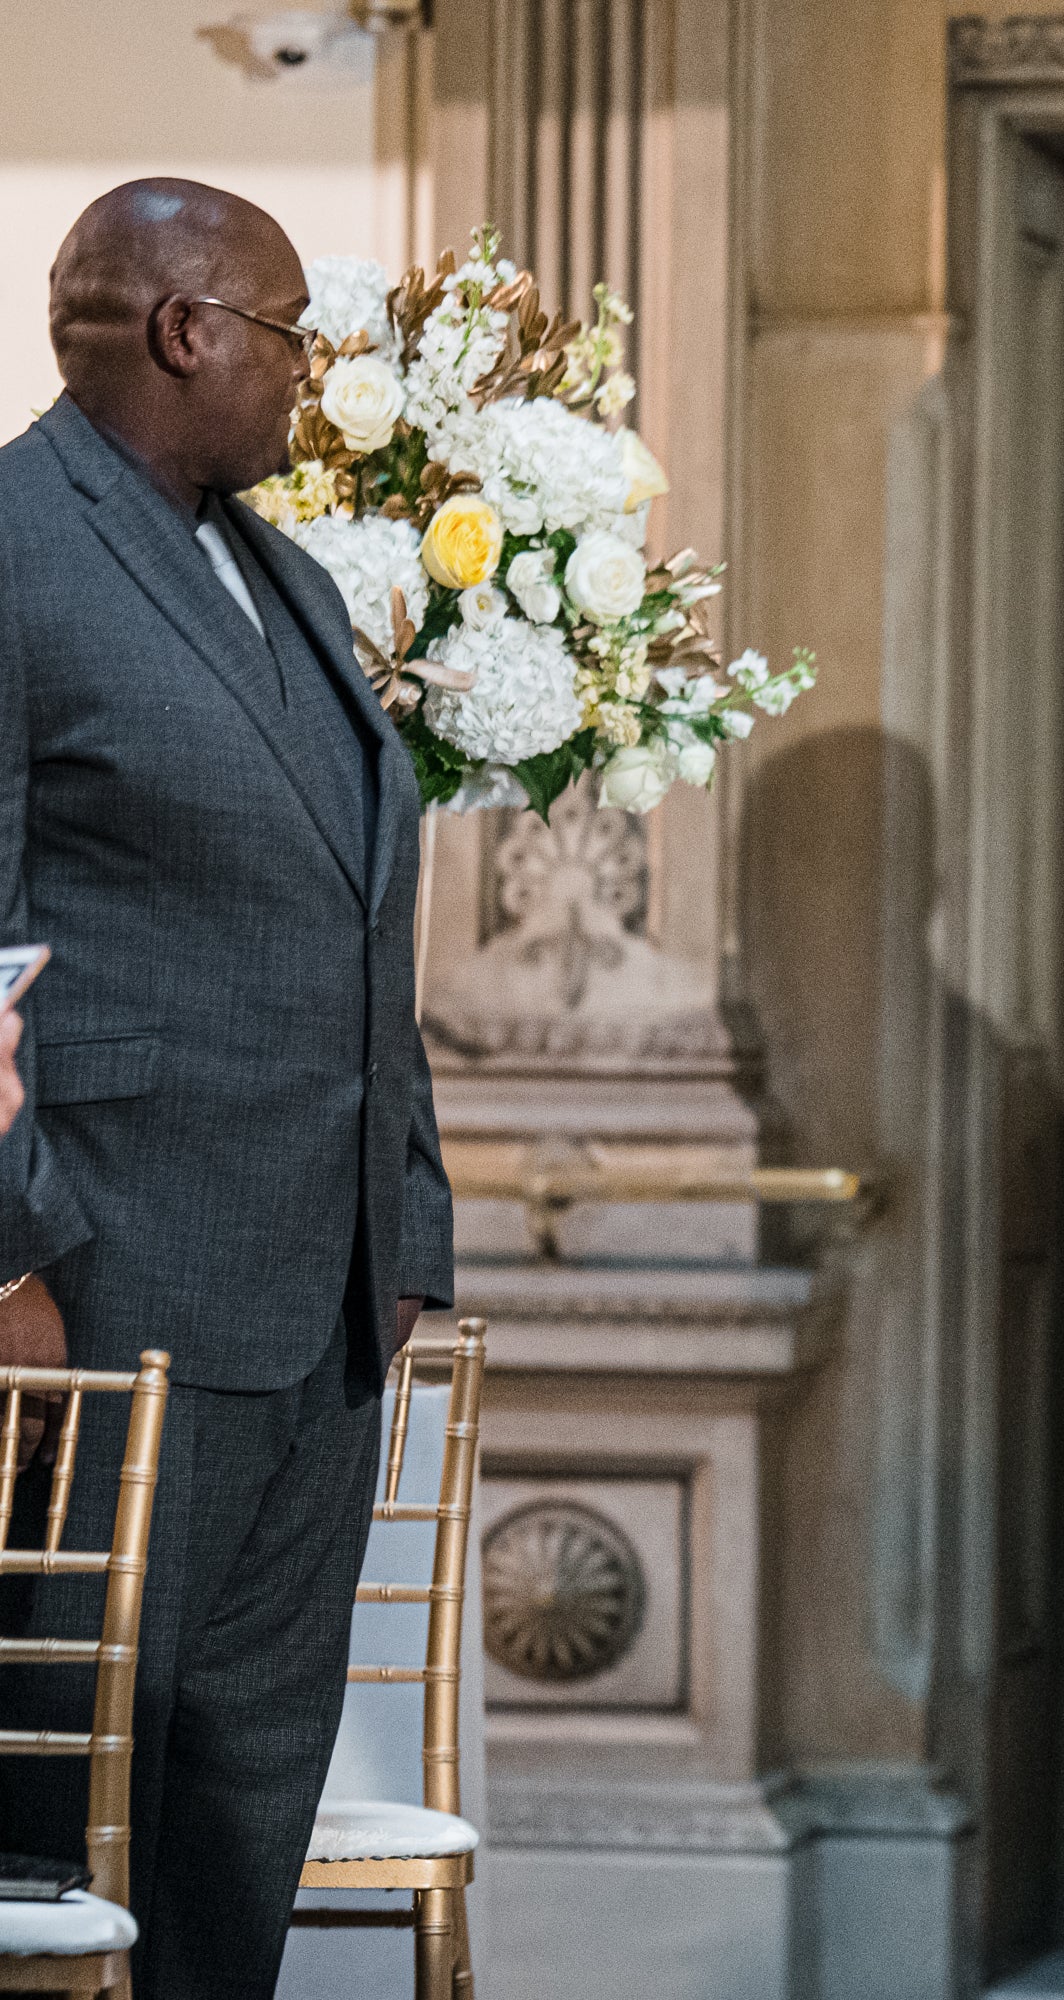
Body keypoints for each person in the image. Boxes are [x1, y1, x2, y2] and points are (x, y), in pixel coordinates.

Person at [0, 180, 454, 1998]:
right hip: (106, 1288)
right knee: (75, 1813)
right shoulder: (17, 548)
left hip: (316, 1297)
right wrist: (8, 1264)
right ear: (185, 329)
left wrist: (405, 1221)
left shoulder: (284, 565)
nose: (306, 378)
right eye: (287, 335)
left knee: (239, 1813)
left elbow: (361, 918)